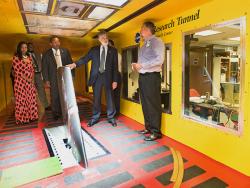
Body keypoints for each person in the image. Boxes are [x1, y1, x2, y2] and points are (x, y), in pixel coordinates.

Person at [67, 31, 118, 127]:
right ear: (98, 39)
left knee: (110, 98)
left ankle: (111, 117)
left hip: (108, 77)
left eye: (106, 37)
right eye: (102, 37)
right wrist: (74, 64)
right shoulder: (94, 50)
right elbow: (85, 59)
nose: (105, 39)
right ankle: (95, 117)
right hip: (97, 77)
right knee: (96, 98)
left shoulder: (113, 51)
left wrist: (115, 80)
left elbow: (115, 67)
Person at [132, 21, 165, 141]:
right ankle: (149, 128)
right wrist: (135, 66)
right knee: (145, 104)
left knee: (153, 105)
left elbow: (160, 60)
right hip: (143, 77)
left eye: (142, 28)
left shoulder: (157, 41)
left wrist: (143, 65)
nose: (140, 31)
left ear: (147, 30)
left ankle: (156, 132)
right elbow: (141, 63)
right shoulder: (144, 44)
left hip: (152, 77)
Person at [42, 36, 74, 120]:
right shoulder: (46, 54)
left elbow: (70, 63)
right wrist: (46, 80)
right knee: (55, 95)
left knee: (65, 95)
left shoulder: (65, 52)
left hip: (64, 76)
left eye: (58, 42)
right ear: (51, 44)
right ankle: (56, 113)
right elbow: (44, 67)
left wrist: (72, 76)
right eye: (55, 42)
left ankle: (65, 111)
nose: (57, 43)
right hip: (53, 77)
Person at [12, 41, 38, 124]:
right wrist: (27, 79)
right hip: (20, 83)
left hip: (29, 83)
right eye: (22, 47)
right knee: (22, 100)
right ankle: (22, 119)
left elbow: (32, 70)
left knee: (31, 98)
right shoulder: (16, 58)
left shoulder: (29, 57)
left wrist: (32, 80)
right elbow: (18, 72)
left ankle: (32, 116)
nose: (24, 49)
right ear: (19, 48)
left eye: (25, 47)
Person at [27, 42, 49, 110]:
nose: (31, 47)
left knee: (41, 90)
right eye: (29, 46)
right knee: (30, 92)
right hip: (30, 76)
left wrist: (43, 75)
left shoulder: (38, 54)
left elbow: (42, 65)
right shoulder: (25, 55)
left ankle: (46, 106)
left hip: (38, 74)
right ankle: (31, 108)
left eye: (32, 46)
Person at [108, 39, 122, 116]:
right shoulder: (113, 54)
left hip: (116, 75)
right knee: (111, 95)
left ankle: (115, 113)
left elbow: (114, 67)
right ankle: (114, 112)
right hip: (112, 75)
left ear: (113, 46)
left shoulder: (117, 54)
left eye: (109, 45)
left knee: (115, 95)